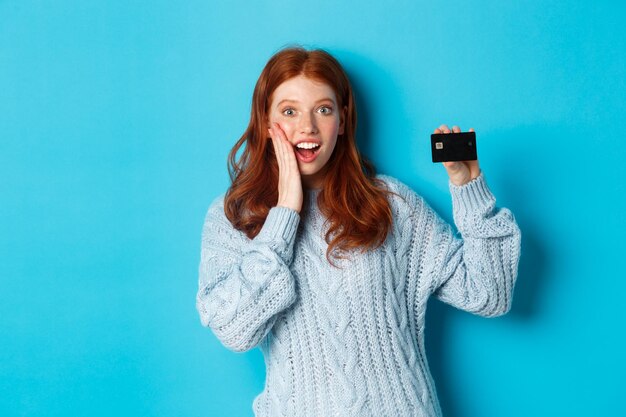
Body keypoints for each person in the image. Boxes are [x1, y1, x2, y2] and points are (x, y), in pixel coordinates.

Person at [196, 46, 521, 417]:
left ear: (342, 118)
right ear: (265, 121)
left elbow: (489, 294)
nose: (307, 127)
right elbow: (233, 331)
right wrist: (285, 212)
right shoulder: (236, 216)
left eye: (323, 109)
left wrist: (469, 187)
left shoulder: (390, 203)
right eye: (289, 111)